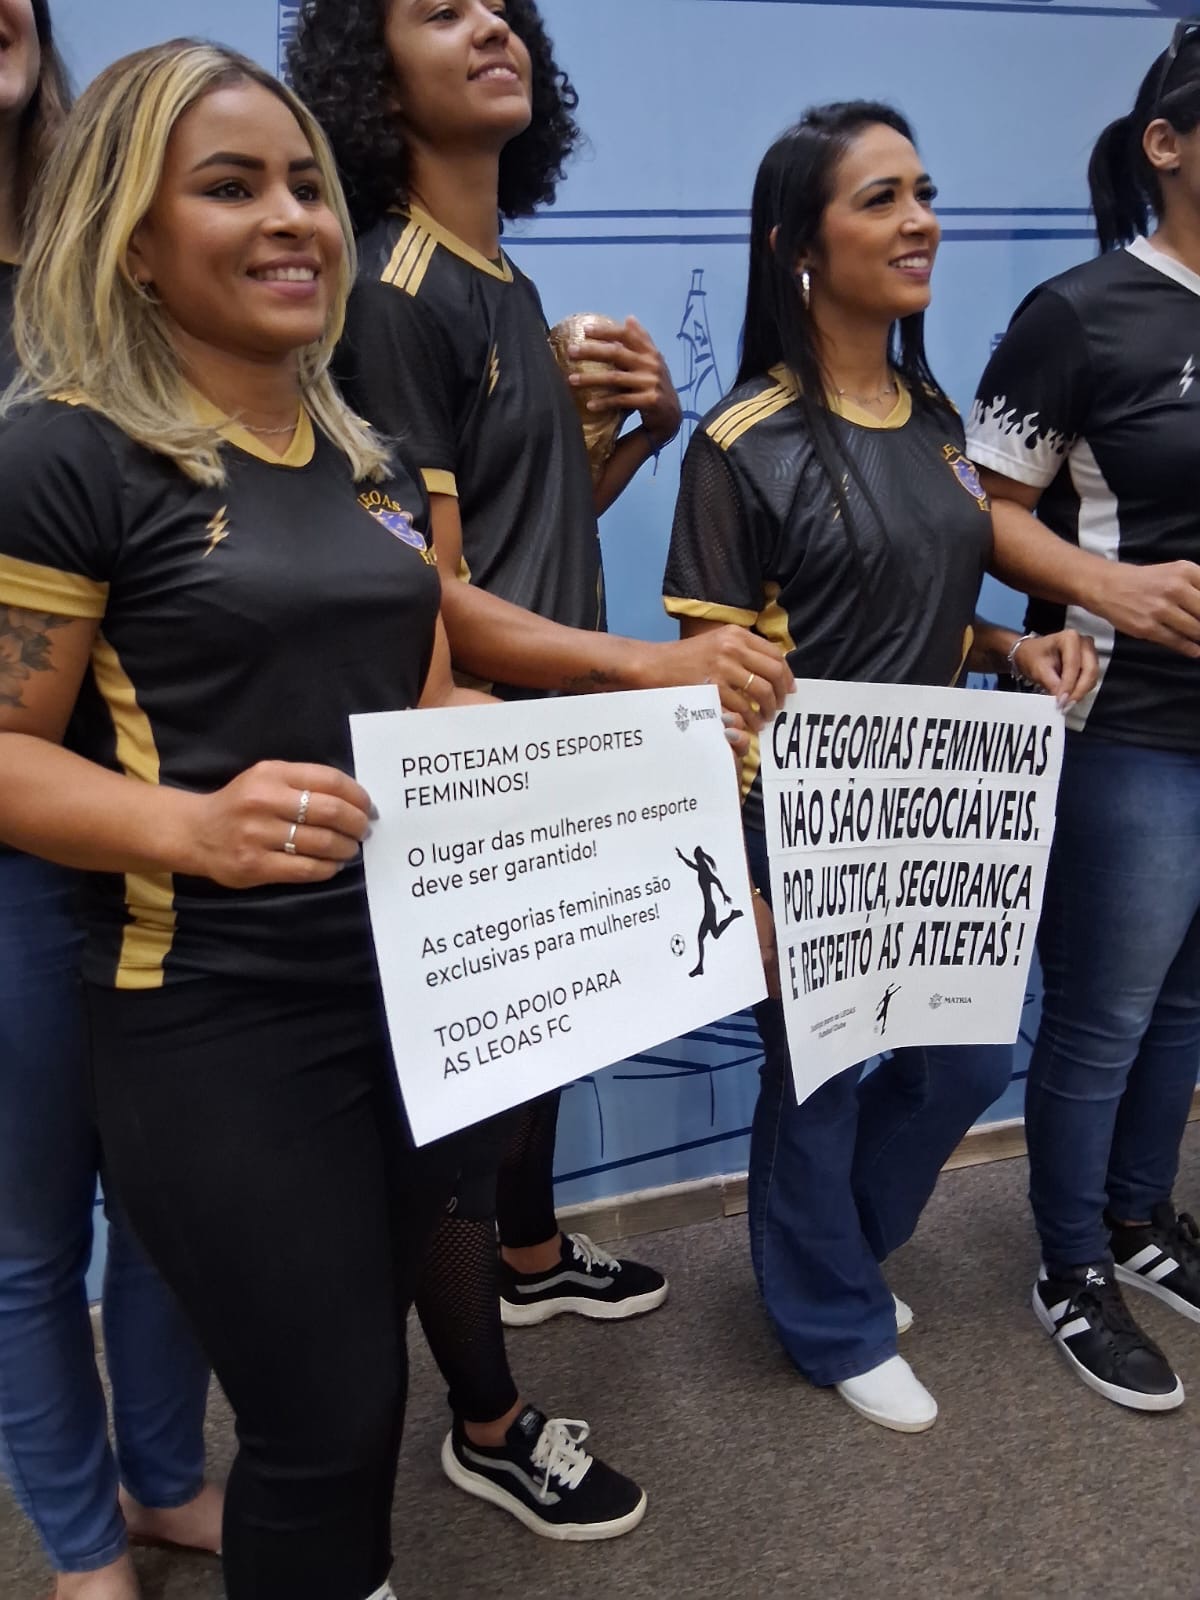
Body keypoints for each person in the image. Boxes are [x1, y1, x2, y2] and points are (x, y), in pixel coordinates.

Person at [0, 36, 534, 1599]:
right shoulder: (63, 453)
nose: (294, 217)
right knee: (321, 1421)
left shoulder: (367, 460)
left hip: (406, 996)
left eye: (305, 183)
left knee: (364, 1400)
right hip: (212, 1015)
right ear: (133, 242)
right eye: (231, 187)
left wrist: (568, 760)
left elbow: (421, 703)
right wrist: (188, 830)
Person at [289, 0, 787, 1536]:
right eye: (439, 11)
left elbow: (521, 522)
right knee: (464, 1121)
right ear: (371, 73)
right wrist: (650, 668)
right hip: (472, 759)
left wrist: (637, 435)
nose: (491, 25)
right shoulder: (392, 288)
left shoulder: (501, 277)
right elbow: (422, 595)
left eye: (502, 6)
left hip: (540, 730)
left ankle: (533, 1255)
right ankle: (490, 1424)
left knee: (545, 1043)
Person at [663, 102, 1098, 1434]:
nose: (921, 222)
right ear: (800, 247)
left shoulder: (936, 417)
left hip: (939, 811)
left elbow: (929, 612)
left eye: (924, 193)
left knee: (964, 1063)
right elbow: (707, 685)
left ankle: (834, 1254)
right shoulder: (739, 443)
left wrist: (1010, 649)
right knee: (821, 1075)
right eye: (881, 199)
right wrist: (746, 884)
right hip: (792, 818)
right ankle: (833, 1316)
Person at [0, 10, 220, 1599]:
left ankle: (162, 1481)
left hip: (168, 794)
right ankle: (83, 1545)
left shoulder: (137, 251)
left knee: (163, 1200)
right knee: (24, 1229)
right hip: (11, 836)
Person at [968, 19, 1200, 1413]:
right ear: (1165, 145)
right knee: (1105, 1015)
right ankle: (1070, 1264)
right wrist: (1110, 585)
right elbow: (985, 510)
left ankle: (1138, 1217)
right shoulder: (1080, 311)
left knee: (1188, 1005)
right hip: (1127, 727)